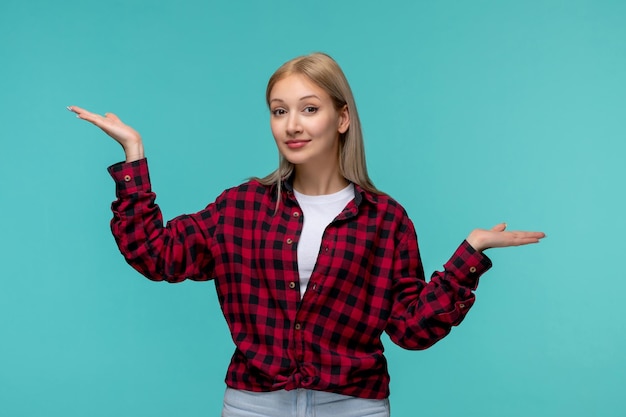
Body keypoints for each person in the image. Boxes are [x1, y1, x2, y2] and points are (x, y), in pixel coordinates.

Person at [69, 52, 545, 417]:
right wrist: (133, 155)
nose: (292, 125)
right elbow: (156, 255)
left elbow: (410, 329)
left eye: (309, 108)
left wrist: (471, 254)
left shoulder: (385, 219)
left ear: (341, 118)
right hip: (254, 404)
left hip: (352, 405)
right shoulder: (240, 206)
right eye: (279, 111)